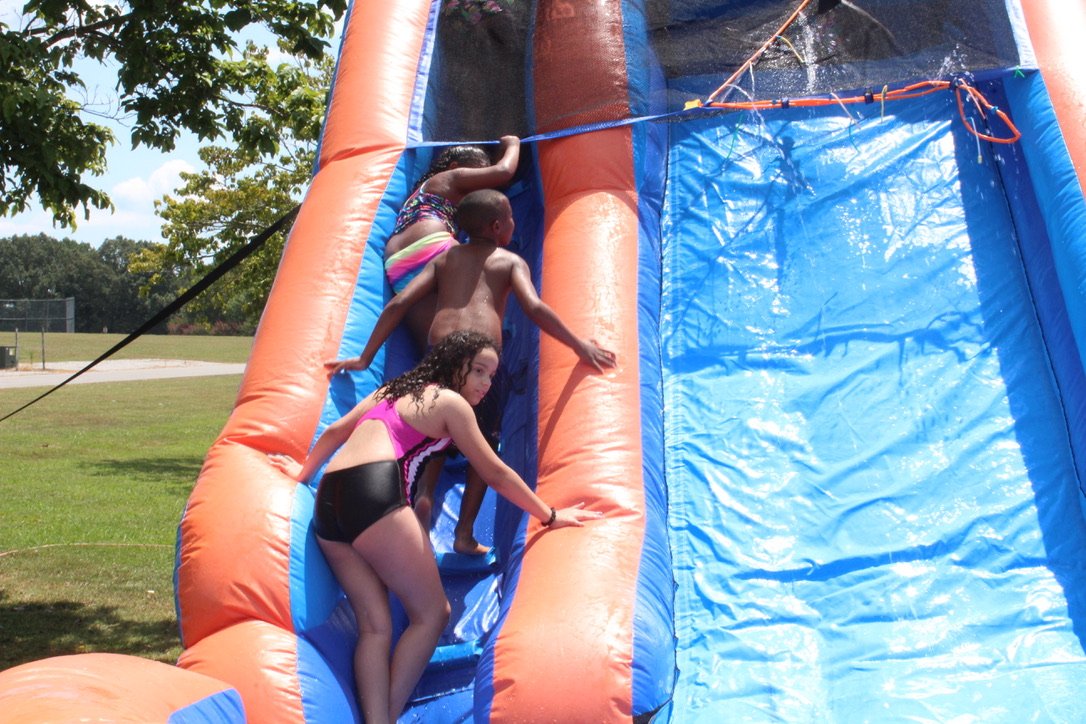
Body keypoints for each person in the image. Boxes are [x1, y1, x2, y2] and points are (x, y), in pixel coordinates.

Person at [271, 331, 600, 724]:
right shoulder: (450, 403)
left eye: (491, 375)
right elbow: (494, 472)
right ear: (453, 364)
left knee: (374, 626)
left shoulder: (392, 390)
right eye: (478, 371)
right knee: (432, 614)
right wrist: (549, 515)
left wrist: (301, 475)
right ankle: (385, 716)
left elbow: (336, 431)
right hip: (375, 492)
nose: (485, 383)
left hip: (330, 498)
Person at [326, 188, 617, 555]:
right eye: (509, 217)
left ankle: (425, 494)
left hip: (440, 353)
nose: (513, 223)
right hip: (479, 359)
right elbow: (534, 307)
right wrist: (578, 345)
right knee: (485, 441)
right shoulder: (509, 261)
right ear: (496, 226)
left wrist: (365, 358)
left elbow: (401, 302)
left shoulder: (445, 260)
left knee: (433, 428)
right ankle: (463, 533)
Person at [383, 136, 521, 354]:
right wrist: (513, 144)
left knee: (438, 351)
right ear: (455, 167)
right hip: (430, 242)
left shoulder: (422, 195)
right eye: (477, 175)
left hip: (397, 264)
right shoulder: (450, 178)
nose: (479, 186)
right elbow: (503, 172)